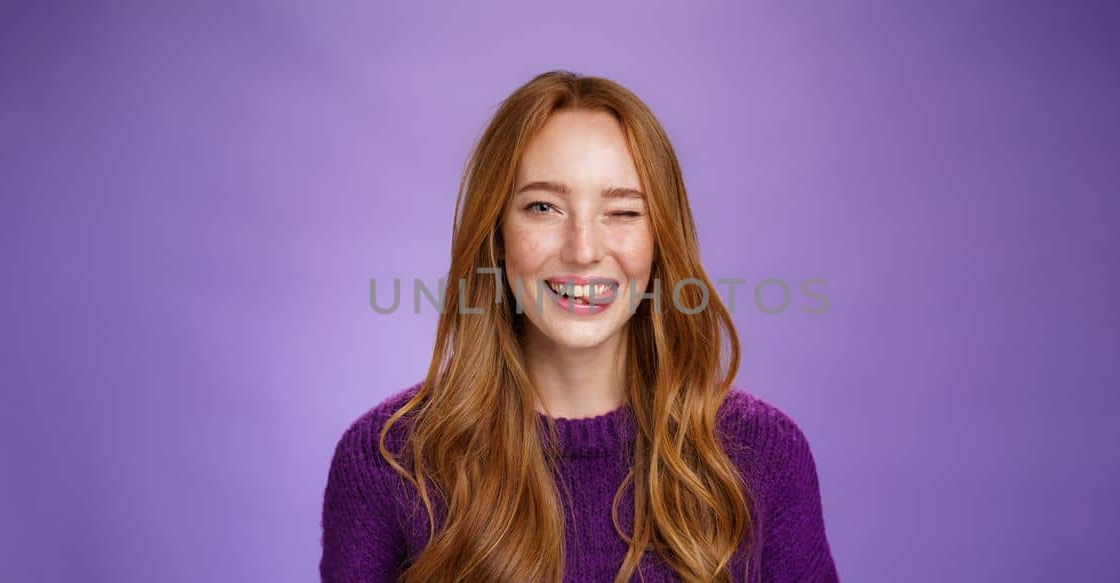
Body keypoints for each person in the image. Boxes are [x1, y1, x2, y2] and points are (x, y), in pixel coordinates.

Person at [320, 70, 839, 582]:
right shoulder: (386, 462)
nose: (583, 250)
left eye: (623, 212)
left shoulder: (761, 455)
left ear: (661, 241)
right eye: (543, 207)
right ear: (497, 237)